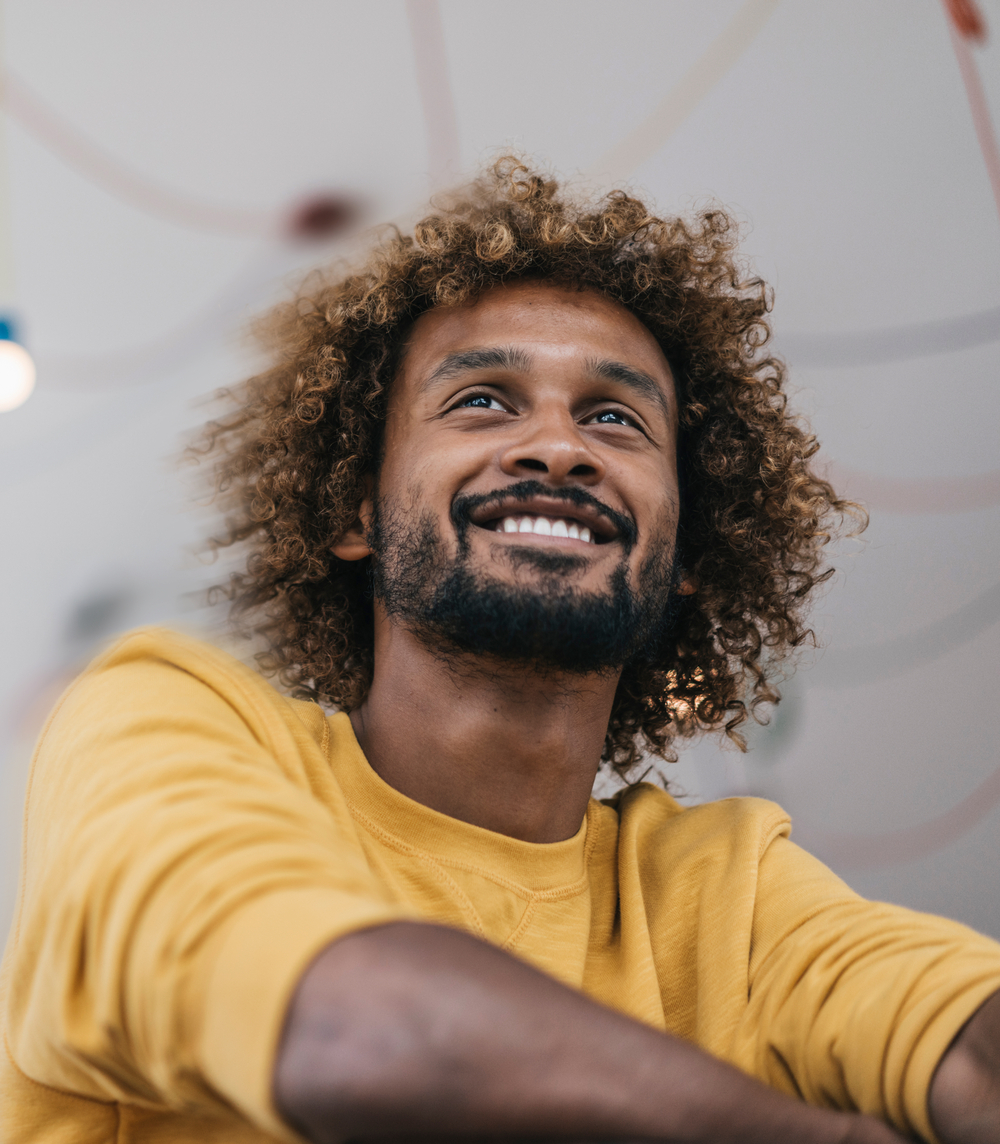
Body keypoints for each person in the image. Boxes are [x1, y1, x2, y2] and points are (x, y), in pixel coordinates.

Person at [2, 158, 999, 1144]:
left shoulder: (721, 893)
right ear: (356, 507)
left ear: (686, 548)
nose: (558, 447)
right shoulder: (167, 715)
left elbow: (961, 1046)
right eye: (482, 399)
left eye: (614, 417)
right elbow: (356, 1031)